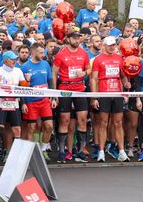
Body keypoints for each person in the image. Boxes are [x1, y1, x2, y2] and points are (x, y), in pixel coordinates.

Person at [52, 32, 91, 163]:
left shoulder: (83, 53)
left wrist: (84, 73)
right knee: (65, 120)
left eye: (78, 38)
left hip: (79, 89)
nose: (77, 40)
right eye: (74, 38)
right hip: (65, 90)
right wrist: (54, 93)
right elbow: (54, 73)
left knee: (82, 119)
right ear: (68, 39)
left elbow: (89, 69)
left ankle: (80, 151)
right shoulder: (61, 54)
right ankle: (62, 152)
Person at [90, 36, 130, 162]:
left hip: (117, 94)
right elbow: (94, 79)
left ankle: (122, 151)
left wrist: (126, 84)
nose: (112, 47)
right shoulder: (98, 59)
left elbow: (123, 76)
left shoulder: (119, 59)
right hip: (104, 94)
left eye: (114, 45)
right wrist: (94, 97)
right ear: (104, 46)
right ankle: (101, 151)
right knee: (103, 123)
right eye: (110, 45)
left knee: (118, 123)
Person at [0, 51, 30, 158]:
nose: (15, 61)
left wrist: (28, 80)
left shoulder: (18, 71)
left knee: (17, 129)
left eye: (15, 59)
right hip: (0, 103)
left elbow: (24, 87)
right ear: (5, 60)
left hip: (14, 103)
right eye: (12, 59)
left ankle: (16, 154)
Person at [19, 43, 56, 156]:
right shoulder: (25, 67)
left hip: (44, 100)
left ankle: (44, 149)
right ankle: (30, 153)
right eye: (40, 53)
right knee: (31, 127)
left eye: (43, 52)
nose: (43, 54)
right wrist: (23, 103)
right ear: (33, 52)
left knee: (49, 126)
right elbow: (21, 86)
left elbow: (50, 81)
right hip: (31, 101)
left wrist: (53, 97)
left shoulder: (45, 64)